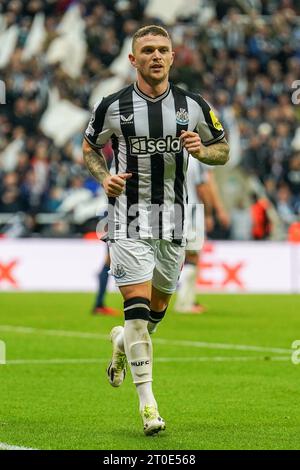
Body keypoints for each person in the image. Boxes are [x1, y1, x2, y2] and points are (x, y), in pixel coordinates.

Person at [82, 25, 229, 436]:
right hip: (128, 217)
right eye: (147, 50)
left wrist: (203, 150)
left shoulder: (193, 105)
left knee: (154, 314)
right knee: (137, 308)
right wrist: (103, 177)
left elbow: (223, 147)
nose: (156, 56)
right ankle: (149, 406)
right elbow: (90, 147)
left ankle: (120, 341)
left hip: (176, 219)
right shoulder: (112, 106)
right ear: (134, 59)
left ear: (172, 56)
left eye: (163, 50)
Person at [174, 163, 230, 313]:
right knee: (192, 257)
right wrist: (209, 213)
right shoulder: (195, 159)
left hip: (169, 211)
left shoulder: (168, 151)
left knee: (177, 257)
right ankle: (184, 303)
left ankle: (188, 300)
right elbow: (203, 187)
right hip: (190, 212)